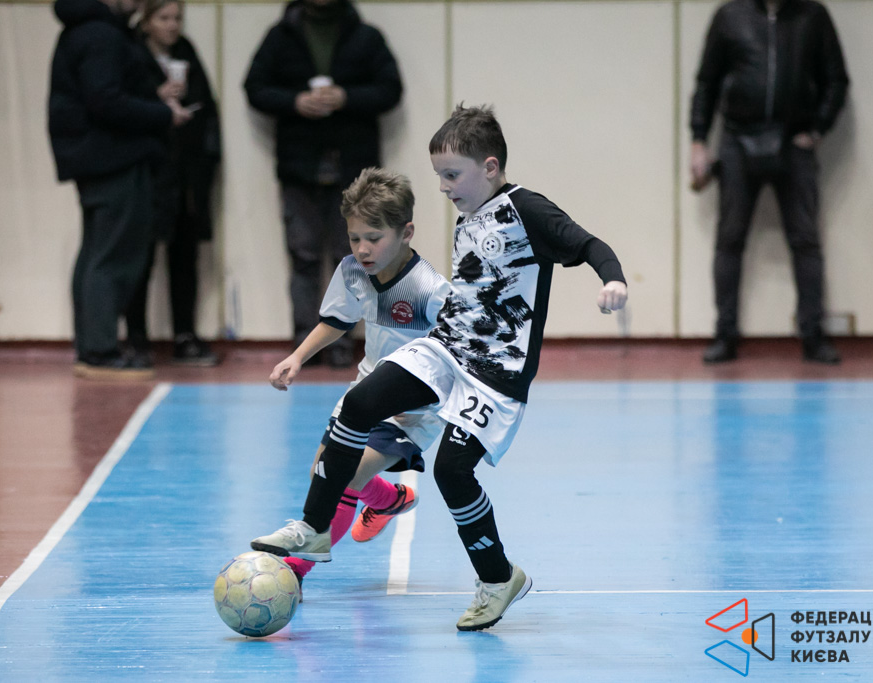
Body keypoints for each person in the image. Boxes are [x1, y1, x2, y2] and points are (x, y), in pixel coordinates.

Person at [252, 105, 628, 631]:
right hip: (448, 348)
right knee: (359, 402)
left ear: (490, 167)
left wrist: (613, 280)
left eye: (452, 175)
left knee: (453, 472)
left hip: (497, 372)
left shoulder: (527, 210)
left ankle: (498, 579)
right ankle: (315, 527)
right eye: (440, 176)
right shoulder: (468, 216)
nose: (444, 187)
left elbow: (588, 244)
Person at [268, 167, 449, 583]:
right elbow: (337, 320)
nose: (363, 249)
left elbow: (458, 355)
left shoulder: (430, 290)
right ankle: (388, 500)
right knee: (322, 473)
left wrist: (441, 402)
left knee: (343, 479)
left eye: (374, 238)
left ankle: (295, 571)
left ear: (406, 233)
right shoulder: (353, 271)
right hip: (364, 394)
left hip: (412, 409)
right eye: (354, 238)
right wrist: (297, 357)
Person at [244, 0, 402, 368]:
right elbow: (255, 88)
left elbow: (390, 90)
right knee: (303, 256)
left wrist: (346, 97)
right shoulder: (280, 36)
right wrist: (295, 101)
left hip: (354, 171)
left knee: (353, 259)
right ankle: (306, 343)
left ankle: (342, 342)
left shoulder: (366, 36)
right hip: (299, 166)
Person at [689, 0, 849, 365]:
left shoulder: (813, 16)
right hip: (737, 141)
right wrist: (698, 140)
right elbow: (706, 82)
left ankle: (813, 337)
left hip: (794, 143)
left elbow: (836, 79)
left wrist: (818, 130)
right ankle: (724, 335)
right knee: (729, 240)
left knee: (806, 241)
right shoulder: (729, 16)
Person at [48, 0, 192, 380]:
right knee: (112, 257)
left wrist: (152, 98)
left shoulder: (85, 29)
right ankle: (100, 351)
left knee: (96, 253)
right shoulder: (103, 35)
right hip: (114, 157)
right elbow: (106, 101)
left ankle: (92, 348)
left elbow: (102, 94)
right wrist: (163, 113)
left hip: (94, 157)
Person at [124, 0, 221, 367]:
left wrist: (206, 163)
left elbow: (206, 108)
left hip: (186, 173)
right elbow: (120, 102)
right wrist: (156, 97)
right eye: (163, 18)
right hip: (148, 170)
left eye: (177, 18)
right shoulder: (131, 52)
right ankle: (136, 337)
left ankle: (185, 334)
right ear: (147, 21)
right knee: (140, 258)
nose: (172, 25)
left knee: (185, 257)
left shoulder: (186, 52)